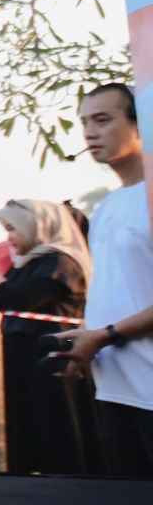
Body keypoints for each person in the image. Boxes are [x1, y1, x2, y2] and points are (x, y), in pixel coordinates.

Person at [0, 200, 95, 475]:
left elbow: (18, 298)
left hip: (56, 366)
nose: (9, 237)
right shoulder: (28, 263)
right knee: (25, 442)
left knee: (61, 444)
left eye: (13, 228)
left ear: (38, 226)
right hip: (23, 364)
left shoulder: (62, 262)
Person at [54, 84, 151, 477]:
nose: (90, 133)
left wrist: (106, 335)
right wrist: (86, 337)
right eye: (84, 123)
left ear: (140, 125)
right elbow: (117, 288)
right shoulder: (107, 206)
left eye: (103, 120)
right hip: (114, 389)